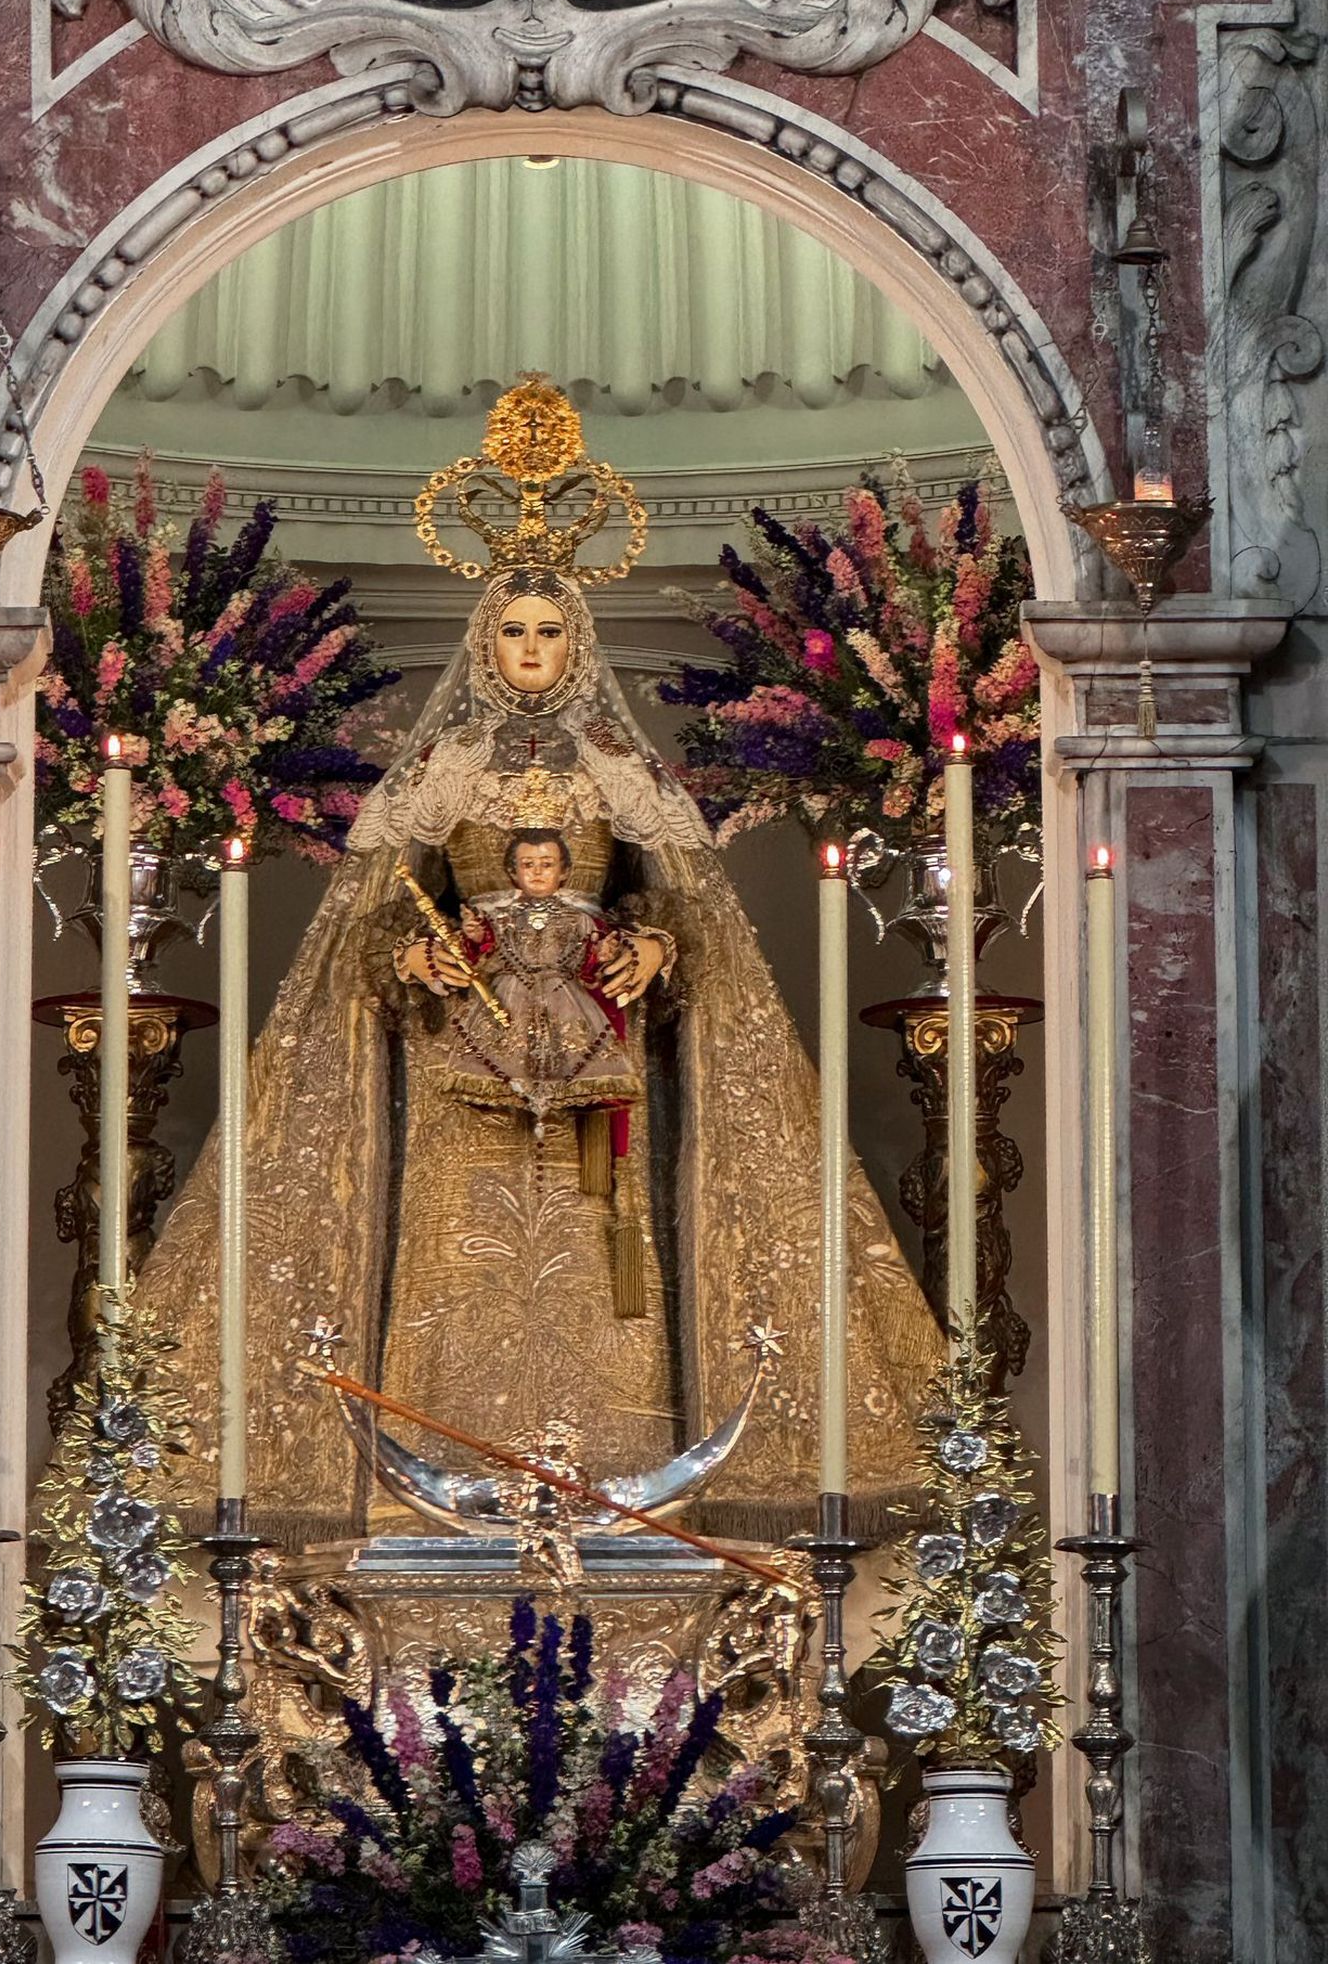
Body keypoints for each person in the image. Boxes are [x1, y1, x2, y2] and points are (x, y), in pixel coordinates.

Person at [146, 381, 942, 1546]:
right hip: (458, 1056)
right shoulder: (447, 768)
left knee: (599, 1255)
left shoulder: (619, 767)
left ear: (578, 644)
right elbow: (369, 920)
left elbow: (684, 905)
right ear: (485, 641)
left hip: (595, 1057)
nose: (530, 650)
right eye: (513, 631)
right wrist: (410, 955)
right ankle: (431, 1482)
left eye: (550, 632)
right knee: (459, 1260)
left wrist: (653, 940)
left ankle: (612, 1477)